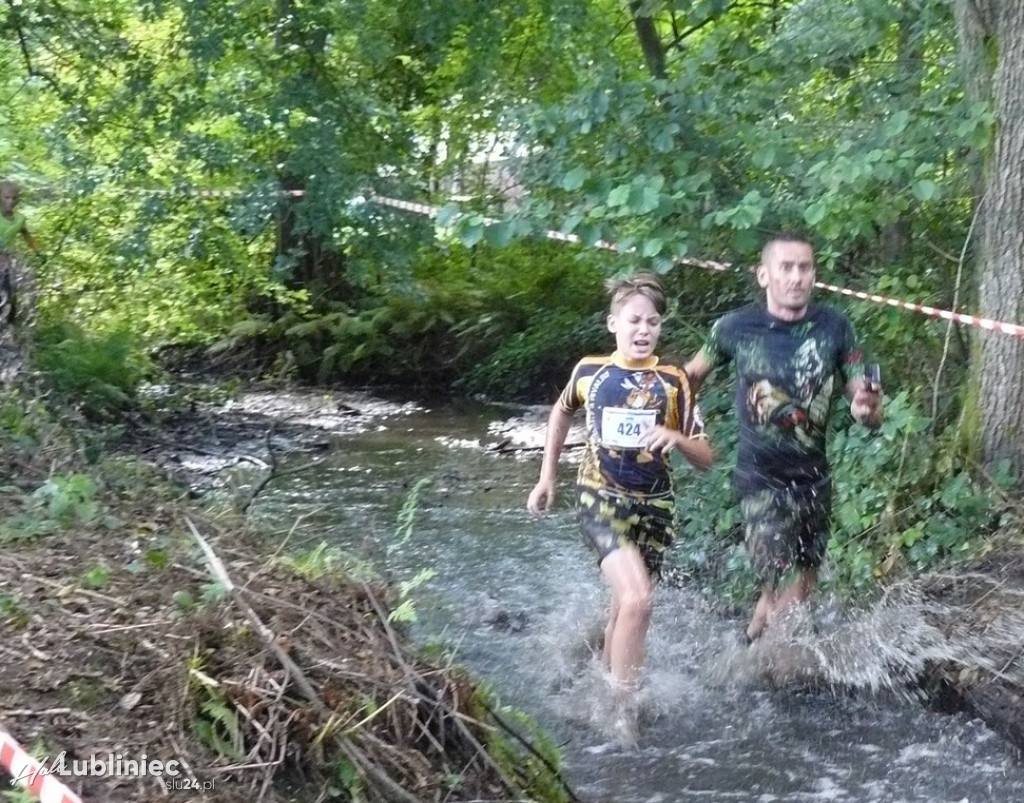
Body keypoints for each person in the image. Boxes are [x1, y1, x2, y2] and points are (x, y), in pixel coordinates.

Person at [683, 232, 883, 643]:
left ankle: (747, 647)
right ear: (764, 275)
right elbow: (688, 379)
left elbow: (861, 401)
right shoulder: (734, 328)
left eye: (804, 267)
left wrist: (867, 408)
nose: (796, 277)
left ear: (814, 274)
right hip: (760, 481)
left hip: (814, 479)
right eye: (786, 268)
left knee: (802, 588)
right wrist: (687, 431)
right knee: (780, 596)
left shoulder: (835, 327)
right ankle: (771, 676)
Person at [527, 272, 713, 697]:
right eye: (633, 321)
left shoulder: (674, 382)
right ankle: (622, 706)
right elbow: (560, 413)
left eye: (652, 322)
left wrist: (679, 439)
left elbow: (706, 458)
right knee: (638, 601)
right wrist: (546, 477)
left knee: (624, 611)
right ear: (613, 324)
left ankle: (601, 687)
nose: (643, 330)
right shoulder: (590, 372)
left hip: (655, 510)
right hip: (600, 499)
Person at [0, 179, 40, 328]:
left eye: (14, 198)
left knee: (9, 298)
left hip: (6, 264)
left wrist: (37, 250)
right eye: (6, 197)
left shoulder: (19, 219)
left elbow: (27, 235)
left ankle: (7, 332)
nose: (10, 201)